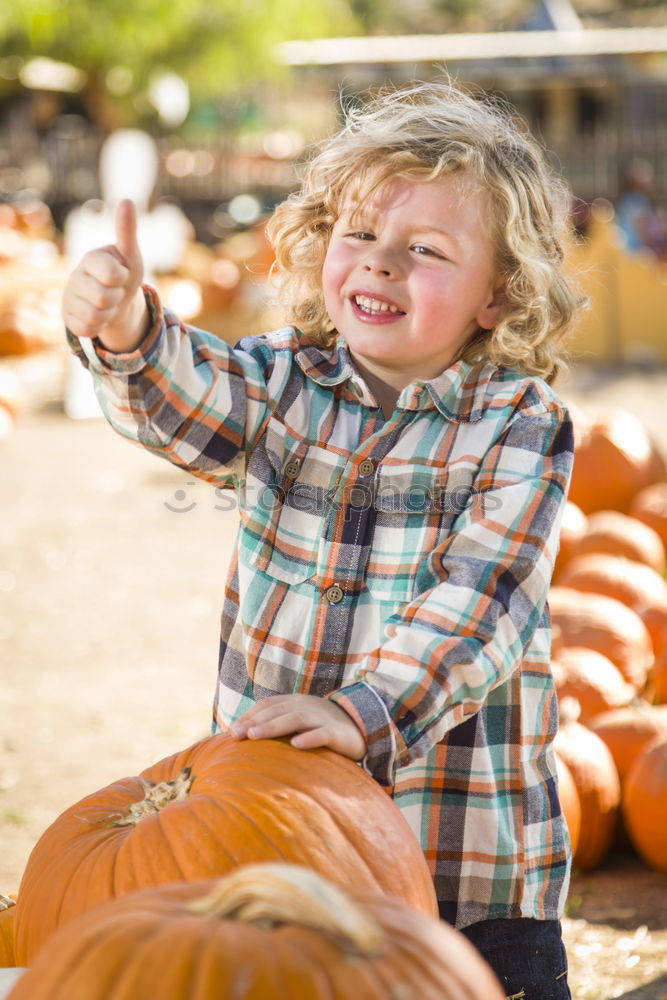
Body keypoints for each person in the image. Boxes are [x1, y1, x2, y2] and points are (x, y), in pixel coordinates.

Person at [62, 80, 580, 999]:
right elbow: (184, 400)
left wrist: (363, 711)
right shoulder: (279, 381)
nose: (378, 266)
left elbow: (481, 604)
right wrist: (129, 330)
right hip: (283, 847)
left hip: (468, 863)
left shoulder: (518, 425)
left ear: (499, 296)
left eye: (422, 251)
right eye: (359, 236)